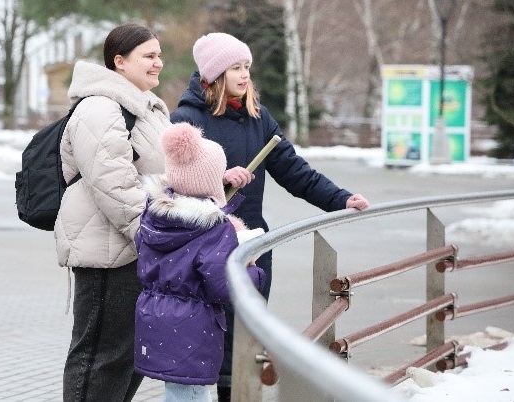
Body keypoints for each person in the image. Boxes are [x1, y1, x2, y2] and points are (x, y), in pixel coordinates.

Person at [170, 32, 370, 401]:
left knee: (246, 341)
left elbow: (296, 172)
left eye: (247, 67)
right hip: (204, 249)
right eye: (235, 67)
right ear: (214, 75)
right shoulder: (186, 120)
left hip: (252, 248)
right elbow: (173, 186)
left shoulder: (258, 118)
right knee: (207, 347)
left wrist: (341, 199)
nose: (245, 75)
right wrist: (220, 179)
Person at [57, 23, 171, 402]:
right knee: (99, 358)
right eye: (149, 56)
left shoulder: (146, 107)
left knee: (126, 357)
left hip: (136, 247)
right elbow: (113, 183)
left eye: (159, 54)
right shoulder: (101, 107)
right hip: (109, 251)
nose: (159, 63)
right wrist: (150, 235)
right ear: (119, 62)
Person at [134, 122, 266, 402]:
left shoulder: (154, 216)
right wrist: (255, 274)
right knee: (192, 394)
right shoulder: (213, 229)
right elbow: (223, 285)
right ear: (209, 181)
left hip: (155, 317)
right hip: (193, 327)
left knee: (178, 391)